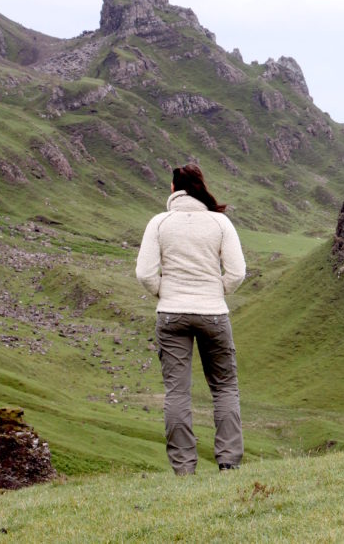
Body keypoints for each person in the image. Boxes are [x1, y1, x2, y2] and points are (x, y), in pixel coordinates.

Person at [135, 163, 247, 475]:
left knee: (177, 392)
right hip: (213, 314)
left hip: (171, 314)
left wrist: (165, 293)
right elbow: (237, 272)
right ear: (200, 188)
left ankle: (184, 469)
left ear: (174, 189)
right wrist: (214, 291)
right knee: (224, 388)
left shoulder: (159, 223)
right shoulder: (220, 223)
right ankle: (229, 464)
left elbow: (144, 273)